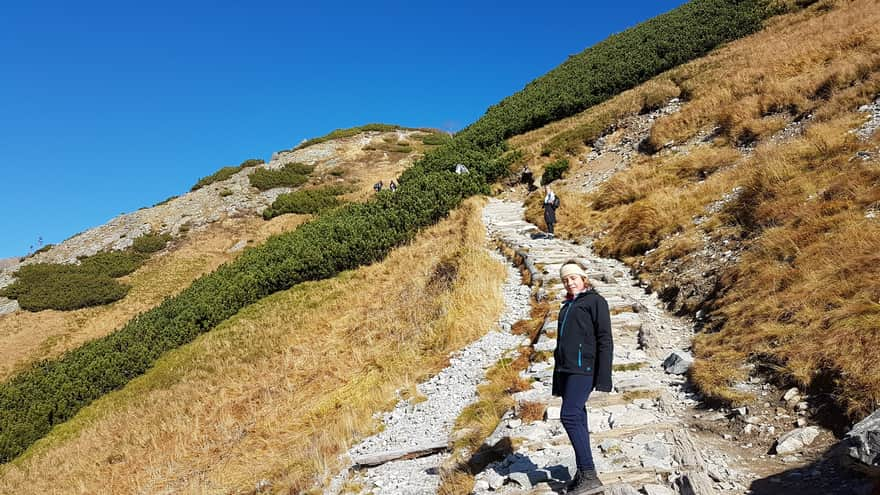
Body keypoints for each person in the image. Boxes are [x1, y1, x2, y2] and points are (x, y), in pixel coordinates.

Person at [552, 260, 613, 494]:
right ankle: (583, 471)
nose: (569, 283)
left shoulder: (596, 302)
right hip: (566, 371)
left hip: (584, 369)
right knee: (578, 417)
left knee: (569, 415)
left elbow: (605, 339)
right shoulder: (566, 306)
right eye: (565, 280)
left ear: (583, 278)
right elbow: (561, 344)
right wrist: (557, 381)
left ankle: (589, 474)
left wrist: (604, 378)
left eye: (573, 278)